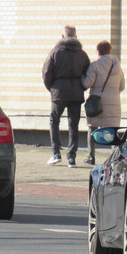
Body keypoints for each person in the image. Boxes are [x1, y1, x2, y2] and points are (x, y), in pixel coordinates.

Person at [42, 25, 90, 167]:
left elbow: (46, 72)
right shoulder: (82, 54)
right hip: (76, 92)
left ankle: (56, 153)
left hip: (59, 91)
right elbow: (88, 72)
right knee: (73, 124)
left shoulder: (55, 52)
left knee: (54, 120)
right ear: (75, 36)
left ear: (62, 36)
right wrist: (81, 86)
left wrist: (52, 88)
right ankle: (72, 157)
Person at [81, 40, 125, 165]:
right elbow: (122, 86)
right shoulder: (117, 66)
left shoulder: (94, 66)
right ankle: (115, 159)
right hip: (114, 104)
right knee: (112, 131)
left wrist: (81, 78)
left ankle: (91, 157)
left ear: (98, 52)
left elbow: (86, 83)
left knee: (92, 129)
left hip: (97, 103)